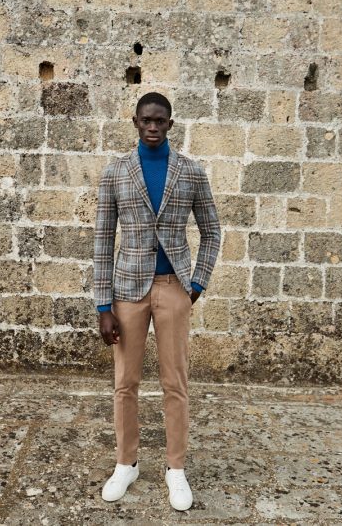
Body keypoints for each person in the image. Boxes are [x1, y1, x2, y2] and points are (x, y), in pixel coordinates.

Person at [94, 91, 221, 512]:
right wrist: (103, 306)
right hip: (127, 291)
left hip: (173, 287)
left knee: (175, 382)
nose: (152, 127)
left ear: (170, 123)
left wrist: (196, 284)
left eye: (159, 121)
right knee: (125, 382)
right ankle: (126, 463)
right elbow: (102, 240)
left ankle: (175, 468)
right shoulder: (115, 172)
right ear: (135, 122)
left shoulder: (191, 171)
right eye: (145, 120)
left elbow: (212, 231)